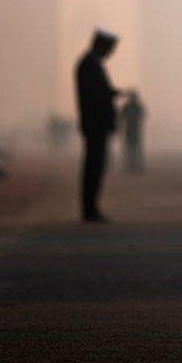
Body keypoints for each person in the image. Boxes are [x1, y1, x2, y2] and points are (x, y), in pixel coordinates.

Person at [75, 29, 121, 223]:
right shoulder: (90, 65)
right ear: (101, 45)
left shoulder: (91, 63)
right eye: (110, 48)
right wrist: (109, 94)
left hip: (96, 123)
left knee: (96, 166)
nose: (111, 53)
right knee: (93, 166)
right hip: (95, 123)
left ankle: (91, 207)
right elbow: (92, 94)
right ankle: (89, 209)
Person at [120, 91, 146, 174]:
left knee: (131, 148)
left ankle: (132, 166)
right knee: (134, 148)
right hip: (134, 128)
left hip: (132, 128)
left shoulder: (128, 106)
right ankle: (135, 166)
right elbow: (142, 115)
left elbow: (122, 116)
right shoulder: (137, 106)